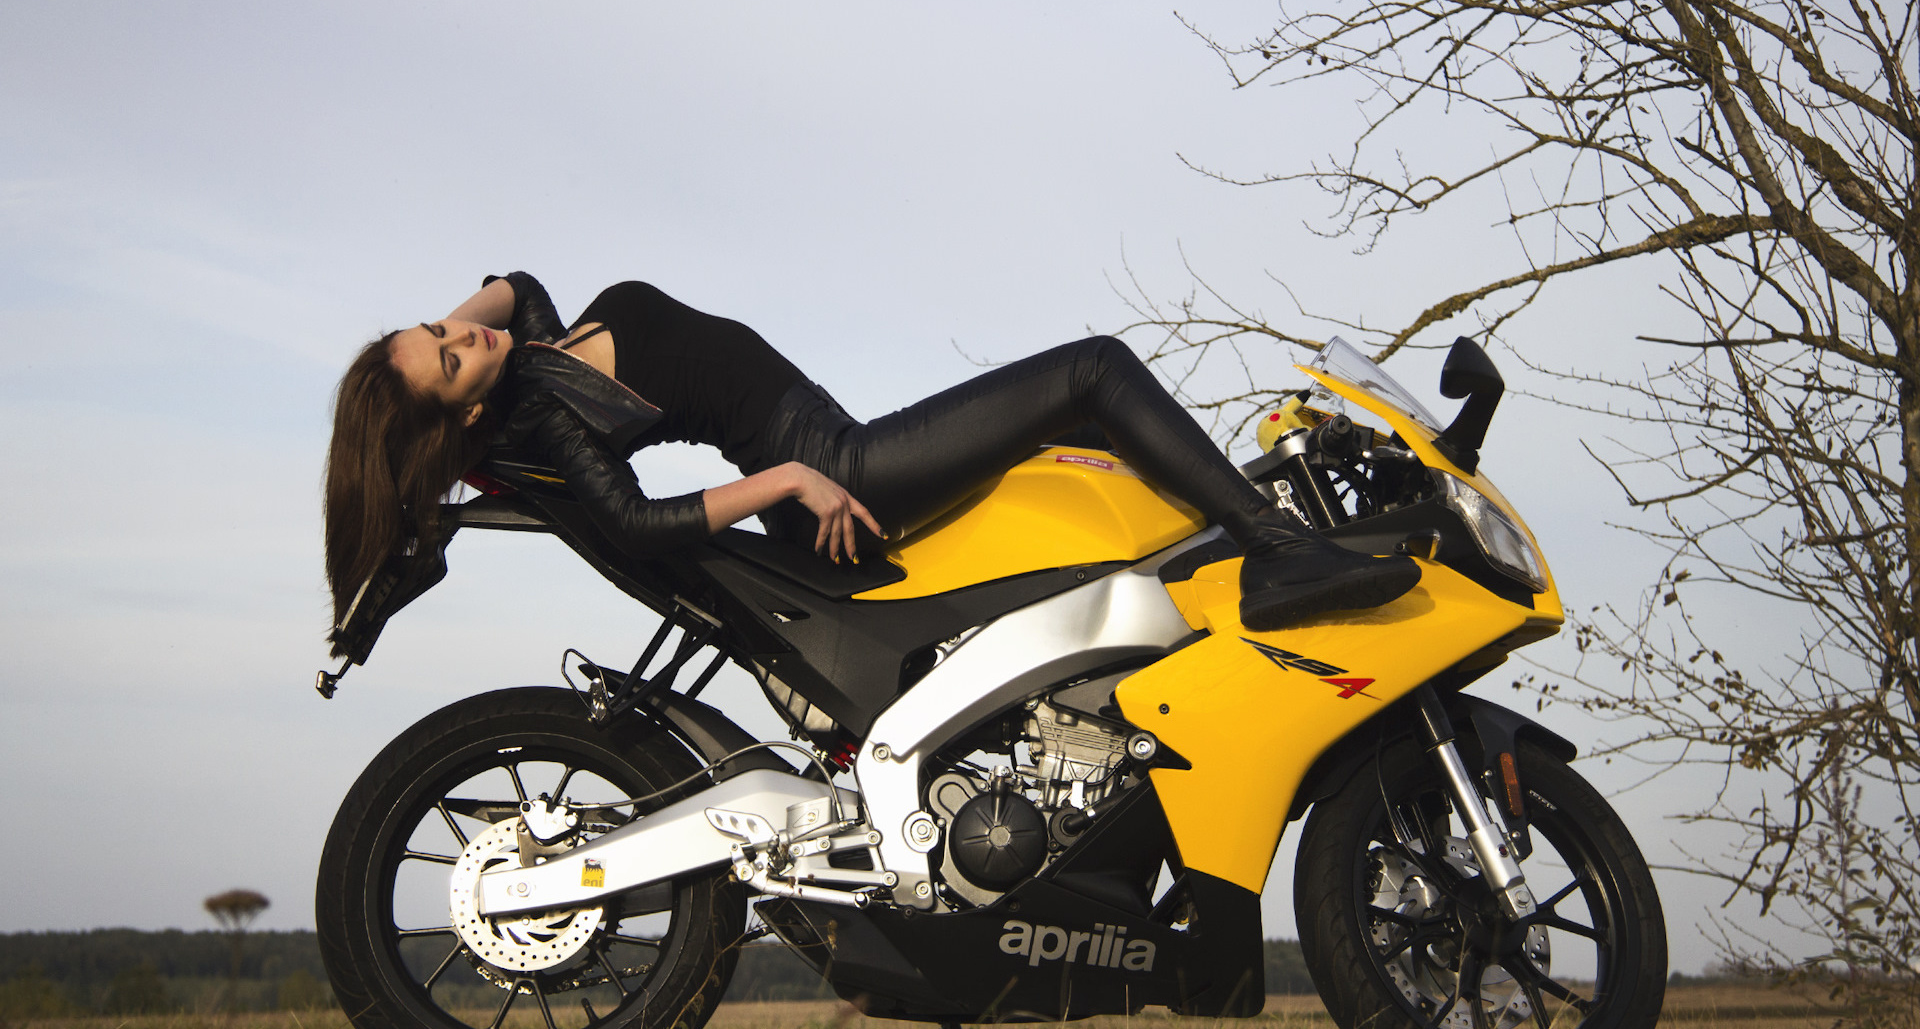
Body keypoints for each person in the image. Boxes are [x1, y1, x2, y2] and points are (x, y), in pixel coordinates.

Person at [324, 272, 1417, 640]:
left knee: (1091, 447)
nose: (468, 335)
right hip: (834, 461)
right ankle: (1276, 550)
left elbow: (511, 284)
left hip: (826, 448)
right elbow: (635, 523)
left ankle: (1249, 544)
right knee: (1092, 373)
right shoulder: (540, 421)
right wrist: (793, 479)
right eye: (454, 362)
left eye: (446, 331)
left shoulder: (532, 360)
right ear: (465, 419)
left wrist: (431, 356)